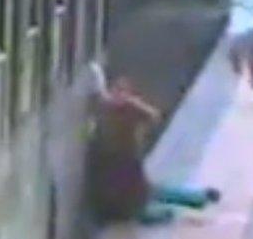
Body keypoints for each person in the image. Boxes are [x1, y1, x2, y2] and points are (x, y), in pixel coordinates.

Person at [87, 64, 221, 225]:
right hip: (122, 167)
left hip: (120, 166)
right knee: (149, 194)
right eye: (117, 90)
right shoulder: (118, 107)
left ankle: (194, 200)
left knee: (148, 194)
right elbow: (153, 116)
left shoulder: (114, 110)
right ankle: (197, 199)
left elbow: (152, 116)